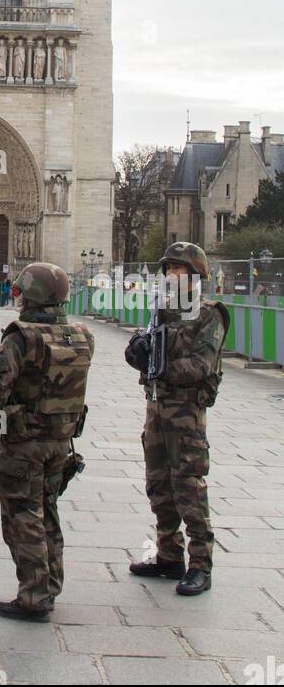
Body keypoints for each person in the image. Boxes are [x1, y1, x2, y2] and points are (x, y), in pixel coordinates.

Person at [0, 263, 94, 621]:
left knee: (22, 516)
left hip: (24, 442)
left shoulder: (20, 337)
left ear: (29, 296)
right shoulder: (81, 335)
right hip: (61, 443)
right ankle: (50, 586)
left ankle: (33, 596)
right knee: (48, 511)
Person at [125, 242, 229, 597]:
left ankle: (201, 564)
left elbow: (201, 366)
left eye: (179, 270)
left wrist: (160, 365)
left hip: (186, 414)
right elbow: (150, 348)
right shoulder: (163, 310)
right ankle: (169, 555)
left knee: (189, 487)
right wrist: (138, 350)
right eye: (168, 269)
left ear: (196, 275)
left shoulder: (209, 314)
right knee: (159, 486)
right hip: (156, 408)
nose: (171, 275)